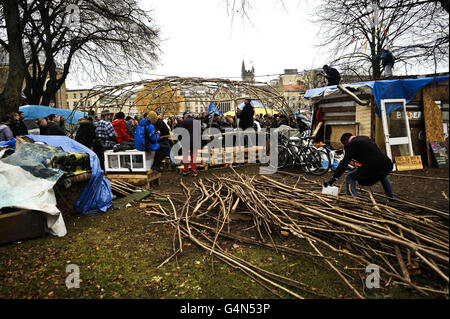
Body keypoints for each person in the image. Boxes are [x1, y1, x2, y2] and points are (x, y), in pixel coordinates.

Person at [323, 133, 396, 199]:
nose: (345, 146)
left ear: (346, 140)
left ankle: (352, 198)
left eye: (344, 144)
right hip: (387, 164)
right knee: (382, 174)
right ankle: (392, 196)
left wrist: (334, 179)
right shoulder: (365, 139)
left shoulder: (351, 144)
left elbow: (344, 163)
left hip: (373, 167)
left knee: (350, 176)